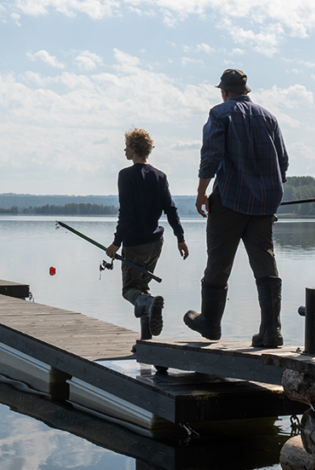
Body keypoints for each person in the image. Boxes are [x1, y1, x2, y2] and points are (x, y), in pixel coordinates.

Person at [183, 69, 288, 347]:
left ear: (224, 91)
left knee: (219, 260)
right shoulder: (269, 117)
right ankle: (271, 331)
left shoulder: (220, 114)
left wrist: (202, 192)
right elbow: (283, 161)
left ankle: (210, 324)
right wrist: (270, 191)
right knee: (265, 262)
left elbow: (212, 156)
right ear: (246, 91)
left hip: (229, 200)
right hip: (265, 203)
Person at [106, 128, 189, 337]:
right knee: (142, 286)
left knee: (130, 290)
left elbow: (126, 212)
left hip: (135, 243)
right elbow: (171, 209)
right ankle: (146, 340)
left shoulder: (125, 175)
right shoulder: (160, 176)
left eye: (126, 146)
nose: (124, 150)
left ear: (133, 149)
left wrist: (116, 243)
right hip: (155, 243)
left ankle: (150, 303)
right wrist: (180, 238)